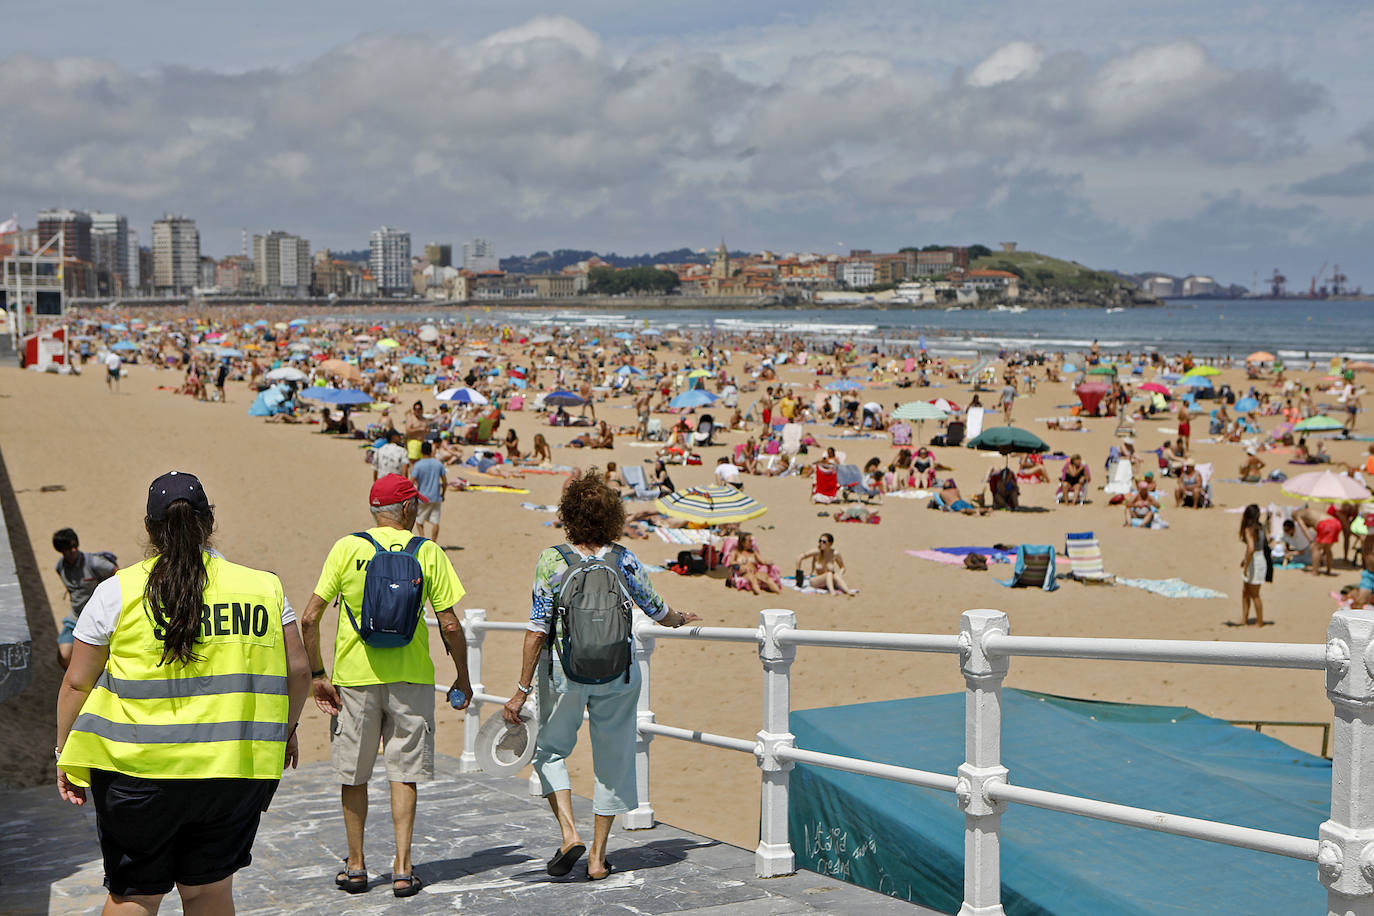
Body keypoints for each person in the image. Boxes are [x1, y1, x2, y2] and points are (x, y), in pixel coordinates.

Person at [56, 471, 311, 914]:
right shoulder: (263, 588)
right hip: (231, 772)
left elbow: (77, 682)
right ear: (209, 522)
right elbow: (299, 671)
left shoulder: (116, 592)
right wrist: (286, 729)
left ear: (150, 529)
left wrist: (64, 751)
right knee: (208, 891)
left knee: (135, 893)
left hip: (136, 776)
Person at [502, 470, 699, 881]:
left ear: (569, 514)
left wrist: (521, 690)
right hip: (618, 676)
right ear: (612, 516)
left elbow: (537, 628)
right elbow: (657, 610)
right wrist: (681, 619)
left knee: (550, 752)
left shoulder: (553, 559)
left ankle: (569, 833)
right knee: (612, 762)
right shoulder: (623, 557)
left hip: (564, 673)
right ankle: (597, 857)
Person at [300, 474, 473, 897]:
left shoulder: (347, 547)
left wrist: (318, 675)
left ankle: (356, 866)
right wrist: (463, 676)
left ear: (375, 511)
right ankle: (402, 866)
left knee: (354, 775)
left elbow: (308, 618)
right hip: (411, 678)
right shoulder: (428, 551)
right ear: (409, 509)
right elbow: (449, 623)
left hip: (354, 680)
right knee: (404, 774)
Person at [52, 528, 118, 669]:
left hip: (97, 619)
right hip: (75, 618)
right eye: (69, 548)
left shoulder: (95, 563)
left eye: (75, 546)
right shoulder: (60, 567)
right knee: (64, 657)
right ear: (61, 550)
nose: (74, 550)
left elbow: (117, 574)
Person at [794, 532, 859, 595]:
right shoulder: (816, 551)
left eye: (824, 542)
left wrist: (840, 574)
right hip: (815, 580)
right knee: (829, 573)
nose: (821, 543)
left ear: (830, 543)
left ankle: (847, 591)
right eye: (820, 541)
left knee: (835, 575)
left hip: (829, 581)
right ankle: (832, 592)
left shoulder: (835, 554)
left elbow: (843, 567)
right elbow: (799, 557)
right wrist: (798, 573)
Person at [409, 440, 447, 543]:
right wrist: (443, 494)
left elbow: (411, 482)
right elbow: (444, 482)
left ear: (421, 451)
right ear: (431, 451)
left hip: (423, 497)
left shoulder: (418, 465)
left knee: (419, 520)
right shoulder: (438, 464)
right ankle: (434, 542)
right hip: (436, 496)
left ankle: (423, 538)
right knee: (435, 521)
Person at [1238, 504, 1269, 626]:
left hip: (1255, 561)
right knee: (1245, 591)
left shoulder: (1249, 529)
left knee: (1254, 594)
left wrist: (1246, 566)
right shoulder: (1260, 527)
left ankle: (1259, 622)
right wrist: (1244, 560)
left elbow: (1251, 548)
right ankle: (1245, 619)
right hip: (1258, 559)